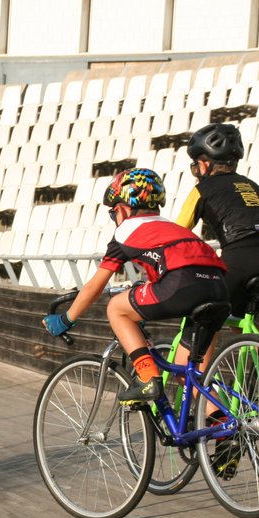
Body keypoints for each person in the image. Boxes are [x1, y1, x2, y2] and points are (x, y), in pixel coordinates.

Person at [41, 168, 229, 405]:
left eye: (113, 214)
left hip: (182, 284)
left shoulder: (126, 231)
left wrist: (65, 320)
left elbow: (95, 286)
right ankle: (224, 425)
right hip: (220, 288)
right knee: (187, 374)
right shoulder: (173, 228)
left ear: (122, 209)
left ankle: (148, 377)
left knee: (116, 308)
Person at [175, 122, 259, 359]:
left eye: (195, 166)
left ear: (204, 164)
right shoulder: (252, 186)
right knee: (239, 321)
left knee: (203, 320)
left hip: (241, 258)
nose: (196, 172)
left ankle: (203, 394)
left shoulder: (202, 190)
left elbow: (176, 234)